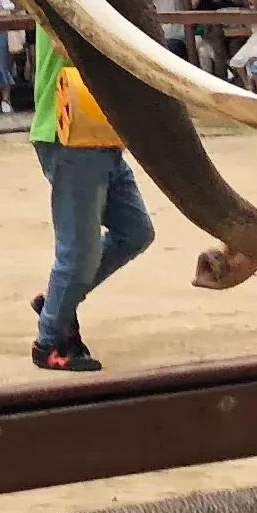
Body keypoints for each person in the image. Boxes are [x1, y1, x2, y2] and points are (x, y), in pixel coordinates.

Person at [30, 20, 155, 374]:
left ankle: (57, 304)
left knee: (135, 232)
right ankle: (49, 342)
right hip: (70, 132)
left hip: (101, 133)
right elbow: (68, 46)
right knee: (79, 250)